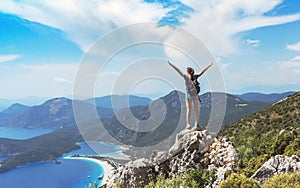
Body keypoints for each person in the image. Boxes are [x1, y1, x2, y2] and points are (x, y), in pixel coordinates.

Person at [168, 60, 213, 130]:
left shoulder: (186, 77)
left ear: (187, 72)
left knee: (189, 109)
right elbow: (203, 71)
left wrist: (172, 65)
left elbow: (178, 70)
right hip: (195, 94)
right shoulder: (195, 76)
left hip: (188, 94)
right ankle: (196, 123)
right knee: (196, 109)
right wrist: (209, 65)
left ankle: (188, 124)